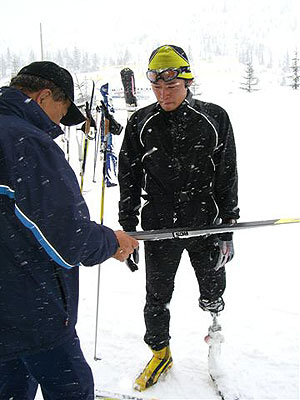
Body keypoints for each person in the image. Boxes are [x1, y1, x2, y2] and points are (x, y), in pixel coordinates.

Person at [0, 61, 138, 399]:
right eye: (63, 110)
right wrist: (111, 241)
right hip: (32, 310)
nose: (61, 124)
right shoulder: (26, 141)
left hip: (8, 314)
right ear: (45, 96)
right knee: (71, 387)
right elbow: (67, 237)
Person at [118, 45, 239, 391]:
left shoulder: (214, 117)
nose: (163, 94)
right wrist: (128, 230)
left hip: (205, 223)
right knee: (157, 296)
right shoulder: (141, 122)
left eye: (170, 86)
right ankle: (159, 352)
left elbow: (227, 174)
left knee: (213, 292)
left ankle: (215, 348)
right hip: (159, 227)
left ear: (187, 81)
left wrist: (227, 228)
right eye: (156, 87)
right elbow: (128, 176)